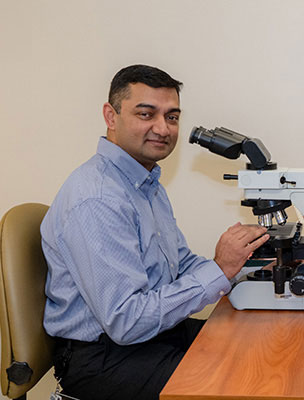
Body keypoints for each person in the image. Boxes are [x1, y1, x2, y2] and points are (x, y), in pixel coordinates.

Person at [41, 64, 269, 400]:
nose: (162, 128)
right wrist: (219, 270)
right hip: (104, 358)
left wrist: (247, 268)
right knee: (239, 385)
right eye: (146, 114)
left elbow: (180, 264)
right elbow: (127, 321)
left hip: (153, 336)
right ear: (111, 115)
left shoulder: (145, 184)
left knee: (256, 348)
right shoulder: (98, 199)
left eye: (172, 117)